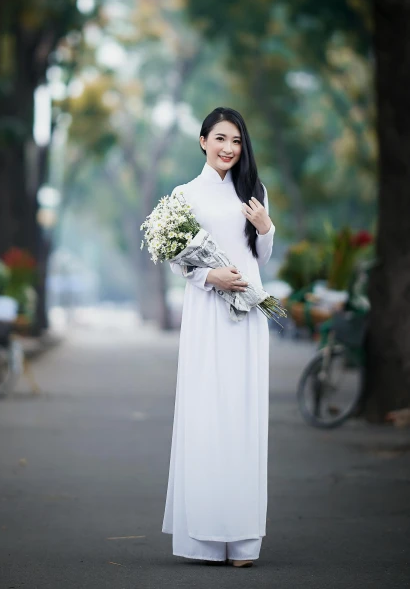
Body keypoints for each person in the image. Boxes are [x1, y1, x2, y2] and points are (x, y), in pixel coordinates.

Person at [162, 106, 275, 568]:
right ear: (204, 141)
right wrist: (211, 276)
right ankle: (205, 539)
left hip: (248, 316)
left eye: (237, 140)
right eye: (221, 139)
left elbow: (259, 257)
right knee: (206, 415)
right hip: (207, 316)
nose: (230, 148)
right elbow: (177, 260)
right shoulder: (184, 195)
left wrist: (267, 228)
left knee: (243, 418)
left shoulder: (255, 191)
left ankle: (244, 541)